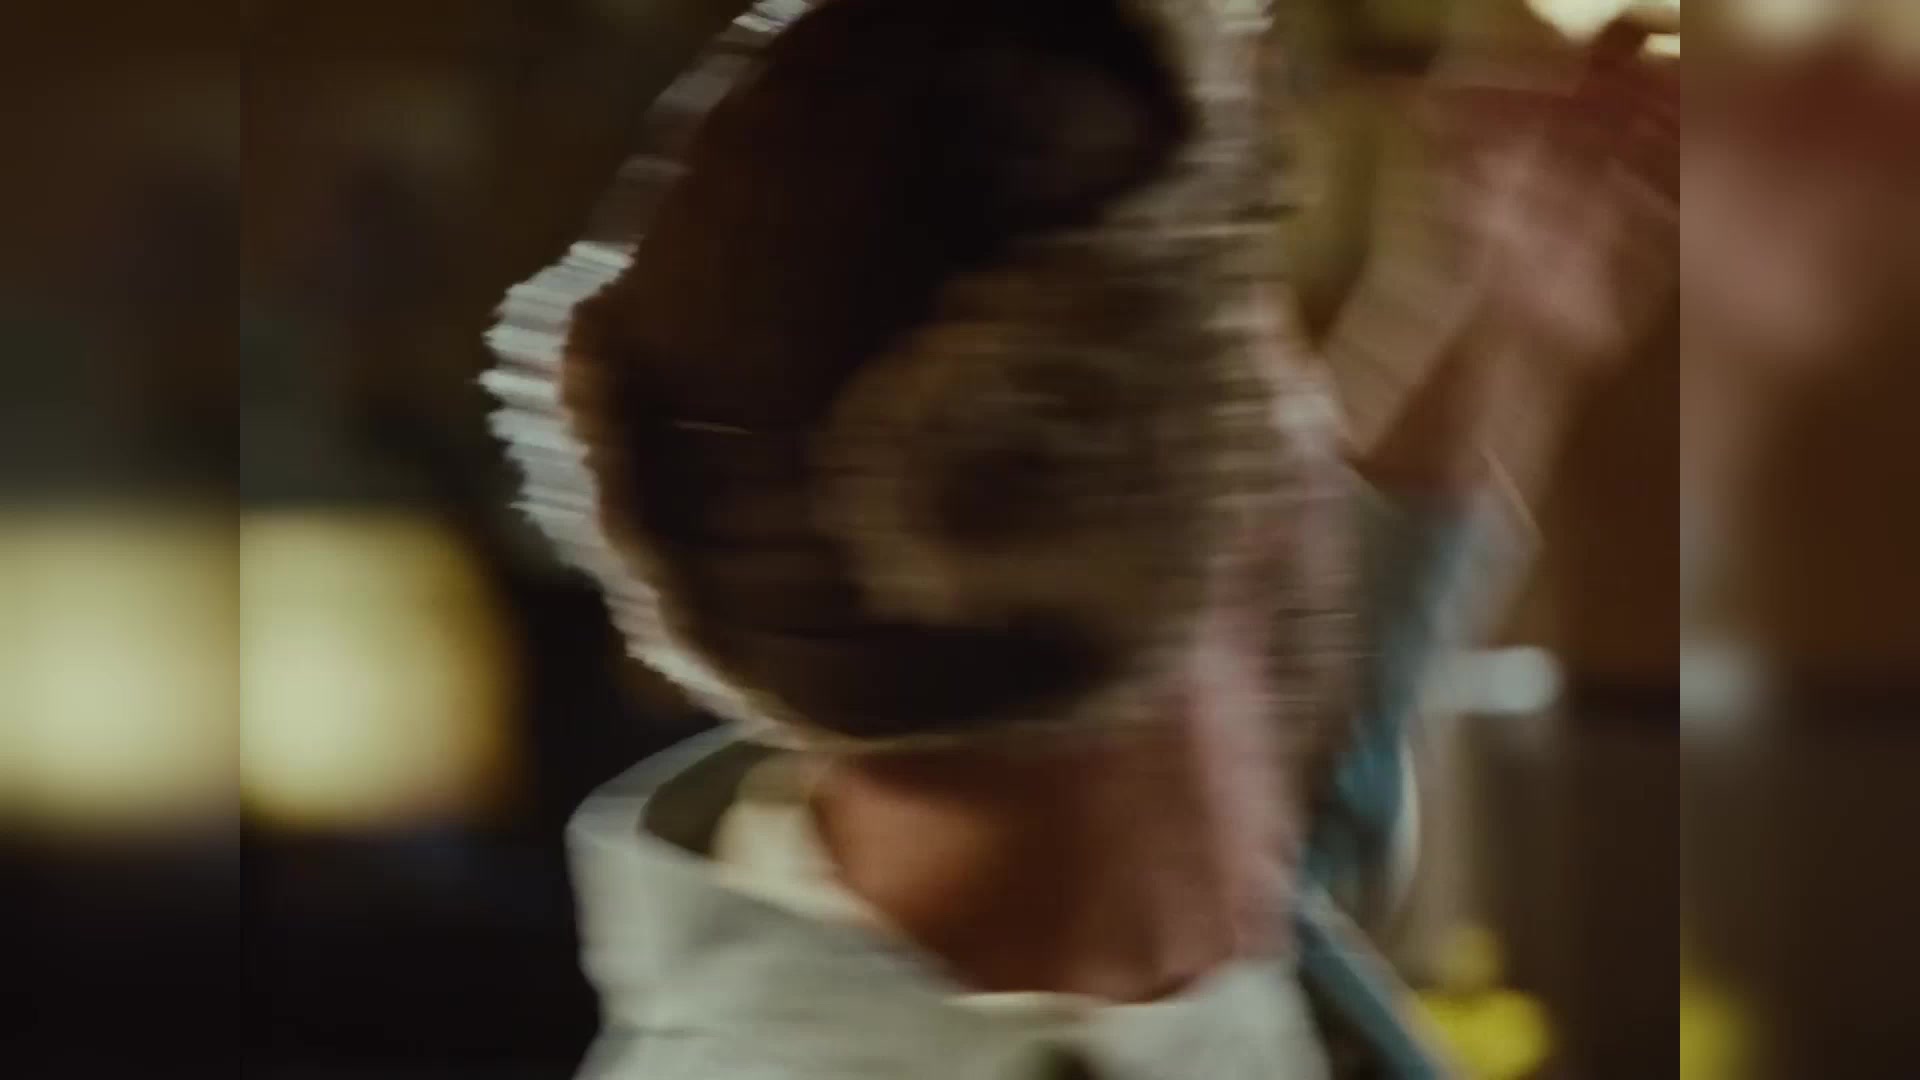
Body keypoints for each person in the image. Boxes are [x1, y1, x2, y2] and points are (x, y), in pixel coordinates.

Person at [486, 1, 1677, 1076]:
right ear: (1232, 514)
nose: (1319, 417)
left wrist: (1503, 307)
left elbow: (1277, 774)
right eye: (1271, 346)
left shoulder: (1128, 866)